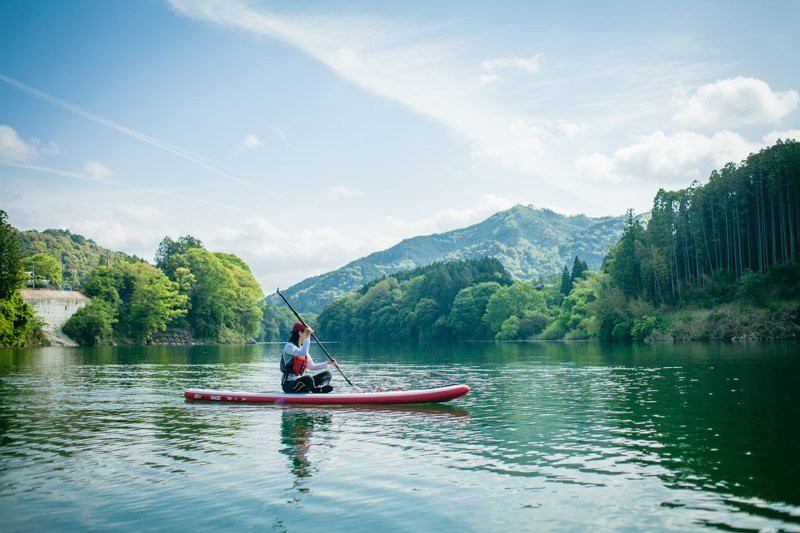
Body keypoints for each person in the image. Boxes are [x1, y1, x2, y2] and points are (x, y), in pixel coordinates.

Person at [281, 321, 336, 393]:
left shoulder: (303, 349)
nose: (308, 335)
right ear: (300, 333)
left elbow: (313, 367)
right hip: (289, 385)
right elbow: (302, 353)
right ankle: (315, 390)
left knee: (327, 374)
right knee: (308, 378)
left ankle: (321, 388)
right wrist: (308, 336)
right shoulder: (289, 346)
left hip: (302, 384)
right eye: (306, 333)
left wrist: (328, 363)